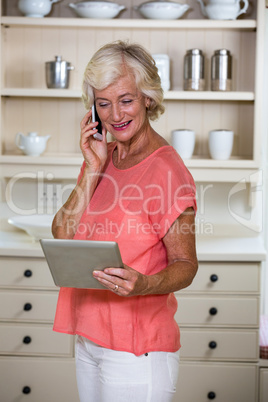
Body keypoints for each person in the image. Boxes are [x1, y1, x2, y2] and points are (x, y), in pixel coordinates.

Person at [52, 40, 198, 402]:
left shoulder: (166, 170)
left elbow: (186, 265)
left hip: (137, 350)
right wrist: (93, 167)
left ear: (148, 98)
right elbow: (61, 232)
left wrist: (144, 283)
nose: (115, 114)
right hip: (90, 338)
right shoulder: (105, 155)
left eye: (126, 100)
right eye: (103, 103)